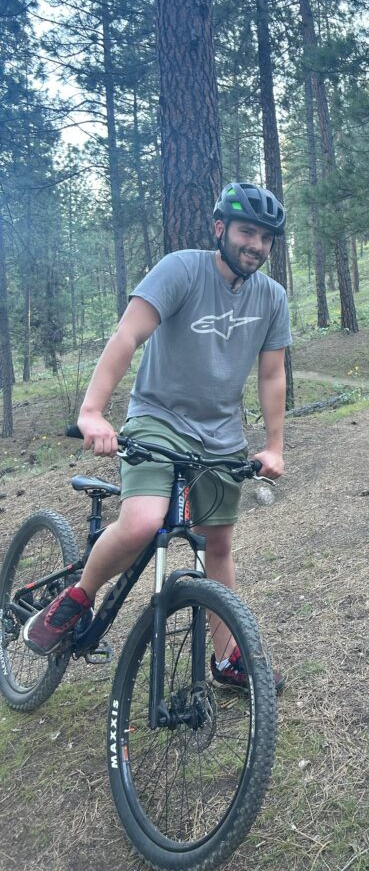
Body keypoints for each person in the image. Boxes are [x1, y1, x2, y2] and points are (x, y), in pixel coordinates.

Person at [24, 182, 291, 693]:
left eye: (265, 238)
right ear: (220, 229)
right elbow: (128, 335)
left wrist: (275, 445)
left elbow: (272, 374)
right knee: (144, 522)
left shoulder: (271, 297)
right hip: (159, 419)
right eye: (246, 232)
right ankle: (77, 597)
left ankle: (227, 659)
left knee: (218, 542)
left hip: (221, 435)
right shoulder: (181, 269)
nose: (256, 245)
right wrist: (92, 412)